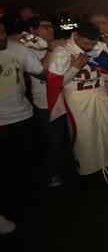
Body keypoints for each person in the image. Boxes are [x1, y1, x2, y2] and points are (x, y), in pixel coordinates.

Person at [47, 22, 108, 186]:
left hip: (99, 93)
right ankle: (87, 170)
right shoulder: (62, 51)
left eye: (93, 43)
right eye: (86, 43)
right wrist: (74, 68)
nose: (90, 46)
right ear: (76, 36)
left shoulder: (100, 47)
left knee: (106, 129)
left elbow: (102, 74)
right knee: (84, 135)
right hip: (77, 97)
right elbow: (57, 83)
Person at [0, 19, 44, 234]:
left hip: (22, 114)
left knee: (25, 160)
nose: (1, 37)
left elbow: (39, 69)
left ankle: (24, 198)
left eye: (2, 31)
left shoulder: (18, 48)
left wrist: (54, 51)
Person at [22, 17, 69, 187]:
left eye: (51, 26)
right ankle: (54, 173)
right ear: (33, 30)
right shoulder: (27, 50)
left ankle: (70, 167)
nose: (50, 29)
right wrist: (51, 50)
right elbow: (42, 73)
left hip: (67, 98)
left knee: (67, 137)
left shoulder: (59, 44)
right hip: (45, 103)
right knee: (53, 140)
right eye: (45, 27)